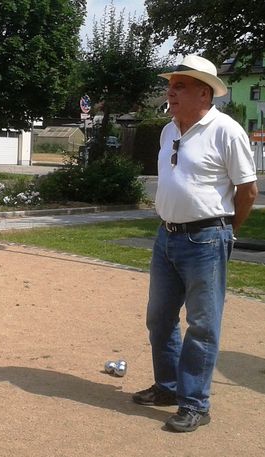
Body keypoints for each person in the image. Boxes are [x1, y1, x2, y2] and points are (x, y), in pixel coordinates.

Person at [132, 55, 258, 432]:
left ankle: (196, 404)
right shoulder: (168, 130)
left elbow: (248, 191)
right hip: (165, 236)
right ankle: (168, 387)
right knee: (159, 318)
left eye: (180, 86)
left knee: (202, 324)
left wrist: (224, 230)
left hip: (207, 238)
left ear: (204, 93)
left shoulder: (226, 130)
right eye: (171, 84)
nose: (170, 91)